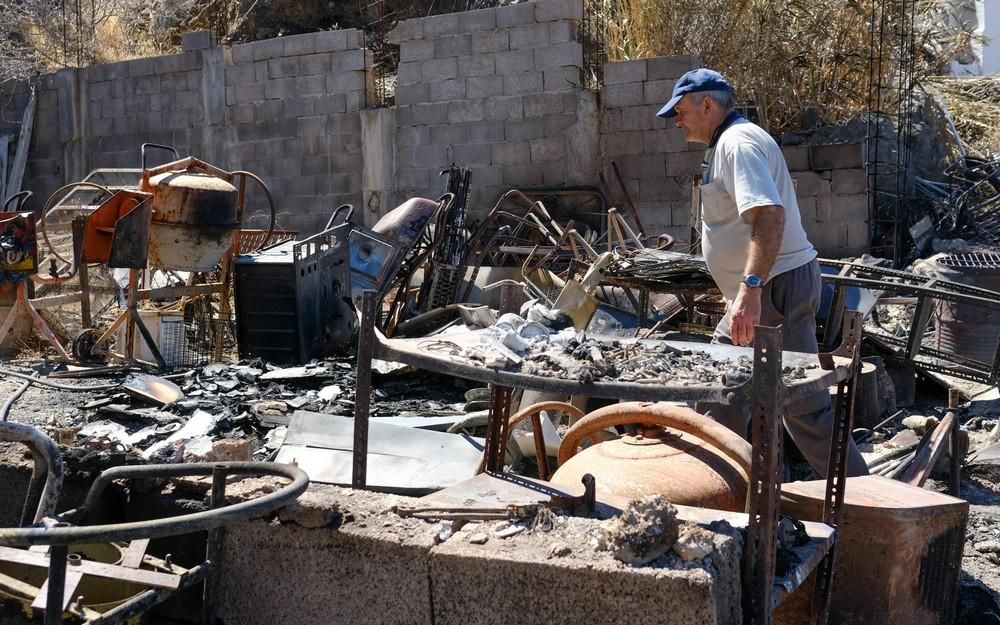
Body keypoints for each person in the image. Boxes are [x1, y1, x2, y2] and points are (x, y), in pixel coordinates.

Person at [656, 68, 868, 478]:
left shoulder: (738, 144)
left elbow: (769, 216)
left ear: (707, 104)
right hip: (765, 288)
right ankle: (724, 483)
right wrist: (738, 289)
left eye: (681, 111)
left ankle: (864, 500)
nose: (677, 121)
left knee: (801, 404)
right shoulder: (727, 144)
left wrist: (751, 287)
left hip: (774, 287)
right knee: (723, 384)